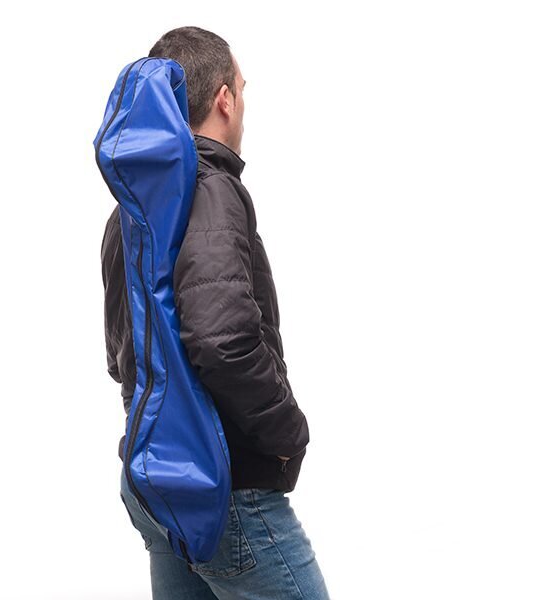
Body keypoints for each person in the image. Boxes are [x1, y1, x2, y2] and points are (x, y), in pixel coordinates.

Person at [100, 26, 331, 600]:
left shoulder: (128, 211)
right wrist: (287, 433)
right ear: (225, 98)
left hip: (158, 482)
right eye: (243, 89)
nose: (244, 103)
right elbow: (221, 338)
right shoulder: (212, 189)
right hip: (226, 487)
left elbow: (120, 357)